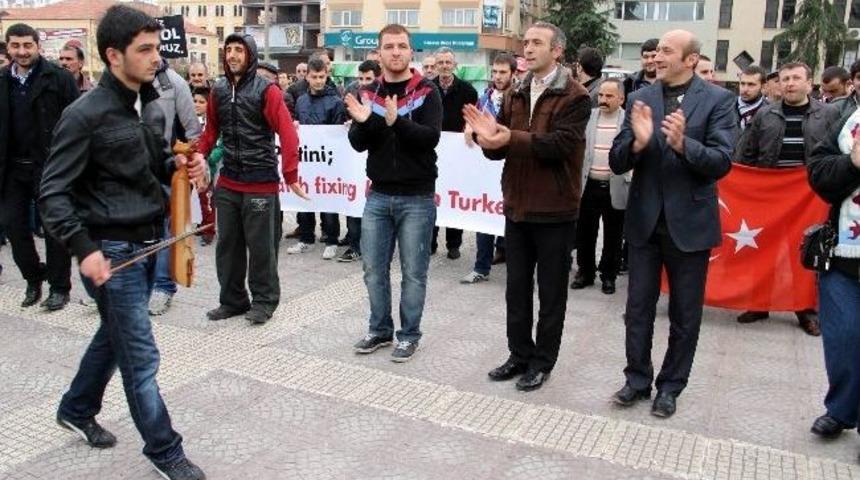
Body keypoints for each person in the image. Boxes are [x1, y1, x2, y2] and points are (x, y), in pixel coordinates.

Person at [39, 6, 208, 479]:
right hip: (109, 254)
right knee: (141, 355)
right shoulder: (84, 114)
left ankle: (75, 408)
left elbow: (150, 166)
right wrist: (83, 249)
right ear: (114, 55)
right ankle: (165, 452)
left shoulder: (150, 102)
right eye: (145, 50)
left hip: (146, 244)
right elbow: (52, 193)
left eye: (157, 48)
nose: (158, 59)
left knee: (114, 339)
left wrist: (180, 168)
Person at [608, 30, 737, 417]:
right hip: (645, 223)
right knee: (637, 309)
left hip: (690, 225)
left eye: (667, 51)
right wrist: (636, 143)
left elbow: (721, 161)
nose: (657, 56)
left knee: (685, 314)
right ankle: (637, 380)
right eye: (657, 50)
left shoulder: (718, 100)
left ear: (691, 59)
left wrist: (684, 146)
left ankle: (671, 386)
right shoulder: (639, 97)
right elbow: (617, 160)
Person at [464, 21, 589, 392]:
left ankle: (542, 361)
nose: (528, 49)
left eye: (537, 43)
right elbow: (501, 147)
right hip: (517, 206)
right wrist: (487, 141)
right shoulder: (515, 92)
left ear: (557, 51)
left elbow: (559, 145)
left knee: (551, 294)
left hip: (555, 210)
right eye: (526, 43)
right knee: (515, 289)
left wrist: (508, 138)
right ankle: (518, 355)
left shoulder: (575, 95)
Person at [346, 23, 442, 363]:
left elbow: (429, 137)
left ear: (410, 51)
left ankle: (409, 334)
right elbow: (359, 145)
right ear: (379, 53)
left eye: (402, 46)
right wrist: (363, 121)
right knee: (373, 269)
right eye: (389, 47)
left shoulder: (427, 91)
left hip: (417, 197)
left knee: (414, 273)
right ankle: (380, 329)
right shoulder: (368, 93)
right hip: (378, 196)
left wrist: (395, 121)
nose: (396, 52)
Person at [197, 33, 305, 324]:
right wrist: (198, 155)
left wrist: (291, 174)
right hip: (229, 181)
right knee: (227, 246)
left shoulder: (266, 91)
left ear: (250, 55)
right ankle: (232, 300)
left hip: (261, 182)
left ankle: (264, 301)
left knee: (262, 249)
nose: (232, 55)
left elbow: (287, 132)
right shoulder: (217, 90)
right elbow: (210, 133)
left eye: (239, 50)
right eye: (229, 50)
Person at [734, 62, 839, 335]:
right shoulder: (765, 115)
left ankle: (805, 309)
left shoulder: (828, 114)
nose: (790, 83)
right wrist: (743, 185)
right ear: (778, 84)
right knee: (763, 250)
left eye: (795, 78)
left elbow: (837, 154)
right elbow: (746, 153)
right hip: (769, 196)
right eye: (785, 79)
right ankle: (759, 304)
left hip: (809, 197)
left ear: (809, 82)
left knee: (803, 254)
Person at [0, 22, 79, 310]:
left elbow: (77, 125)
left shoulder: (59, 79)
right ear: (8, 47)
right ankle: (33, 278)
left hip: (49, 168)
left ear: (37, 46)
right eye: (15, 46)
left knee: (54, 229)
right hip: (11, 169)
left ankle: (60, 287)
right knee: (13, 227)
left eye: (27, 45)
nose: (21, 51)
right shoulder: (3, 80)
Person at [805, 94, 860, 446]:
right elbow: (820, 176)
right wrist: (853, 163)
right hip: (844, 256)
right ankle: (840, 409)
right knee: (843, 340)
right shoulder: (848, 120)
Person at [145, 59, 202, 316]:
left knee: (170, 228)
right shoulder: (120, 78)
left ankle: (163, 287)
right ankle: (120, 286)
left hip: (166, 167)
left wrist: (194, 162)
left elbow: (192, 130)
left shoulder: (175, 83)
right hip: (127, 168)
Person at [460, 52, 516, 284]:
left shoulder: (520, 97)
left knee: (512, 219)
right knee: (485, 215)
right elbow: (473, 122)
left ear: (514, 73)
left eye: (503, 72)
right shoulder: (485, 98)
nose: (498, 76)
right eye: (494, 71)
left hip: (512, 166)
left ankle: (517, 268)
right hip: (487, 166)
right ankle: (481, 267)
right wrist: (469, 128)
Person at [571, 78, 628, 295]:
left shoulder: (627, 121)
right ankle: (585, 272)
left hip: (616, 185)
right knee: (585, 232)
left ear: (621, 98)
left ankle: (609, 276)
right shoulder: (589, 117)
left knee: (613, 235)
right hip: (588, 184)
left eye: (609, 96)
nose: (603, 100)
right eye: (601, 95)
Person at [286, 58, 348, 259]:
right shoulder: (302, 100)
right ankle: (306, 238)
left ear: (326, 76)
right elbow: (299, 122)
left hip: (327, 161)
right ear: (307, 76)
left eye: (322, 77)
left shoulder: (336, 102)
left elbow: (338, 133)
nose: (319, 81)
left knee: (329, 202)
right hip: (307, 160)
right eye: (315, 77)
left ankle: (331, 239)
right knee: (305, 199)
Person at [431, 46, 478, 259]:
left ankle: (453, 244)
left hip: (458, 154)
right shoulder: (427, 88)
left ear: (455, 65)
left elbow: (472, 117)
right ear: (435, 65)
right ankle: (430, 242)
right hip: (432, 150)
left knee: (454, 197)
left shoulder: (468, 91)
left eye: (448, 62)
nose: (444, 66)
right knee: (431, 197)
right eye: (440, 63)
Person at [339, 59, 381, 263]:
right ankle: (355, 245)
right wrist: (353, 124)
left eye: (369, 78)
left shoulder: (383, 99)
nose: (364, 82)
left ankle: (374, 246)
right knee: (354, 202)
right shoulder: (354, 97)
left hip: (377, 165)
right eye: (361, 78)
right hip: (356, 161)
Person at [192, 86, 216, 246]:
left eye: (201, 102)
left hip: (211, 163)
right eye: (194, 101)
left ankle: (209, 230)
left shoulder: (213, 122)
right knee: (200, 196)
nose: (197, 104)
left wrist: (209, 157)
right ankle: (202, 224)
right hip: (197, 162)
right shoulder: (192, 120)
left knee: (208, 198)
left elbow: (218, 143)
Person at [737, 65, 768, 131]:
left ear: (763, 87)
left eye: (751, 84)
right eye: (742, 84)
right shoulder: (726, 107)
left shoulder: (770, 112)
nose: (745, 89)